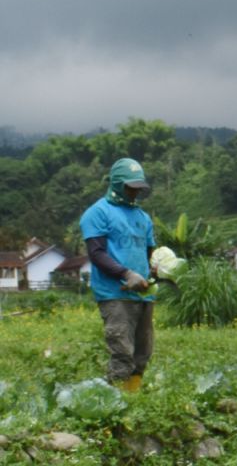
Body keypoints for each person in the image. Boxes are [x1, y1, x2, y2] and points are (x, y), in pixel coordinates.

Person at [80, 158, 157, 392]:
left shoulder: (143, 217)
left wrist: (154, 267)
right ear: (116, 184)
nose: (134, 192)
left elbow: (148, 251)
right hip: (115, 294)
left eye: (138, 188)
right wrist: (126, 273)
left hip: (144, 294)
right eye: (130, 187)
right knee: (122, 352)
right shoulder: (98, 213)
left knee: (143, 352)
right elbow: (97, 253)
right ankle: (115, 405)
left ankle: (132, 398)